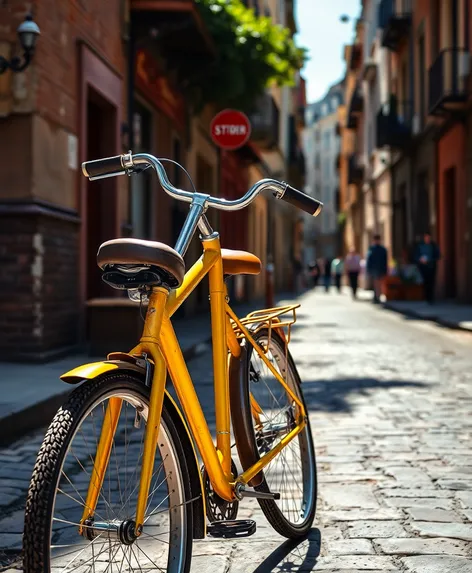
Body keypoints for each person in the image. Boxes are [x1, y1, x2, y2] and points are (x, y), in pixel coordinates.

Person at [415, 231, 440, 304]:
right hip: (423, 267)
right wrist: (420, 259)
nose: (427, 239)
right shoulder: (420, 246)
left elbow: (437, 255)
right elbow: (416, 256)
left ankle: (431, 298)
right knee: (425, 283)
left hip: (431, 267)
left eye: (429, 237)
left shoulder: (433, 246)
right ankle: (426, 297)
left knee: (431, 282)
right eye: (426, 237)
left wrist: (430, 260)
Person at [366, 234, 388, 303]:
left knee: (379, 284)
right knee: (375, 283)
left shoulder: (382, 249)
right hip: (374, 269)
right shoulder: (372, 249)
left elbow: (385, 260)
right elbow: (369, 260)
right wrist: (368, 269)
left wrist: (385, 269)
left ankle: (378, 296)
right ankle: (376, 296)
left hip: (380, 268)